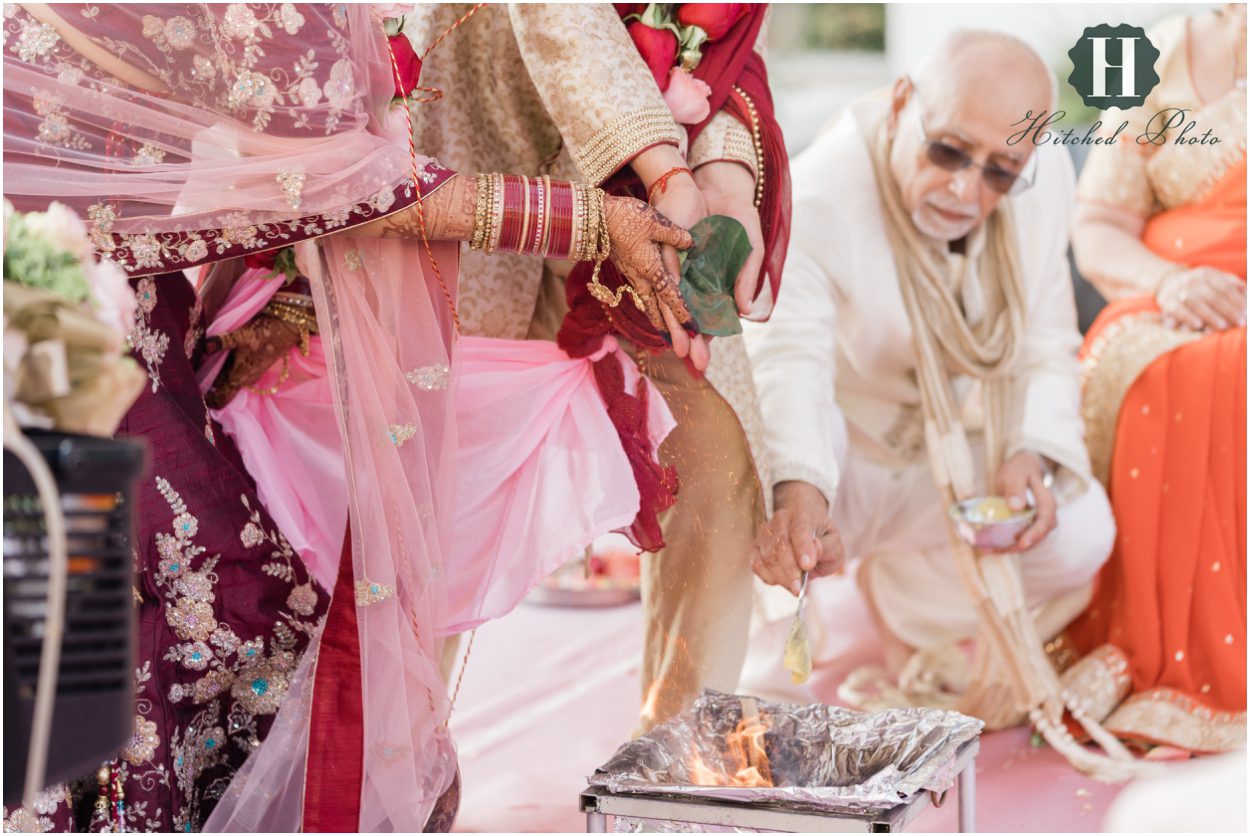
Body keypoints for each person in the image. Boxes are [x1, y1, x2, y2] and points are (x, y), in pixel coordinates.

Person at [1, 4, 691, 831]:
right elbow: (346, 191)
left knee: (164, 607)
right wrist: (591, 223)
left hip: (111, 302)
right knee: (217, 600)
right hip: (54, 314)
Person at [405, 3, 792, 730]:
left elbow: (724, 52)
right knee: (438, 495)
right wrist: (664, 162)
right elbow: (560, 16)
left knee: (714, 463)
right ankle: (398, 757)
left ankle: (682, 759)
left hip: (652, 221)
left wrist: (727, 178)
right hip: (473, 180)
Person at [745, 30, 1115, 717]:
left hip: (939, 474)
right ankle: (774, 646)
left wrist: (1029, 451)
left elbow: (1044, 337)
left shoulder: (1044, 177)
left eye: (999, 172)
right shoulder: (820, 192)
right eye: (947, 150)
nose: (965, 189)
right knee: (747, 471)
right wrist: (801, 492)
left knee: (1081, 531)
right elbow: (787, 358)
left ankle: (908, 611)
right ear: (900, 104)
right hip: (841, 468)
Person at [1062, 7, 1246, 755]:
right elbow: (1097, 224)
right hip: (1171, 297)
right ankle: (1165, 650)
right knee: (1162, 369)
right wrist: (1170, 283)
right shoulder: (1144, 57)